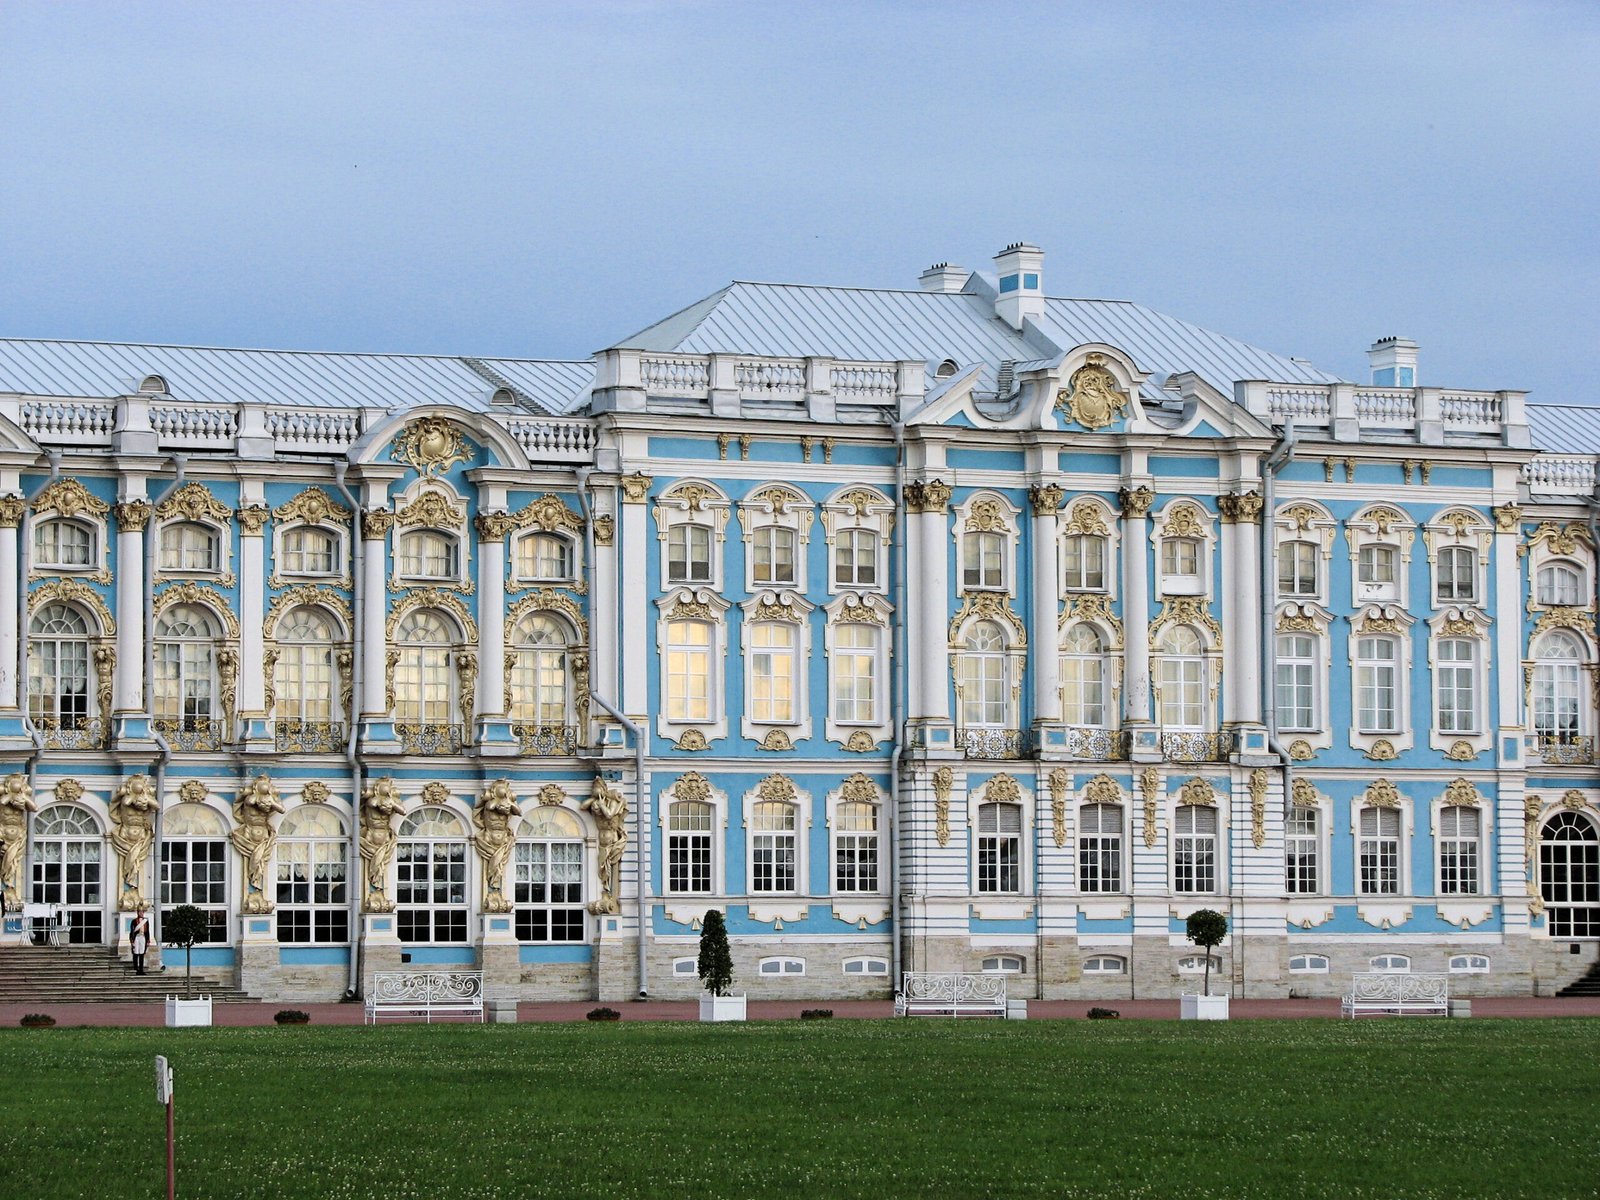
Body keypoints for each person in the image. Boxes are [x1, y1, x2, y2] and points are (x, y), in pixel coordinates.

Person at [129, 908, 151, 976]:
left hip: (143, 937)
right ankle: (136, 968)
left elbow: (147, 931)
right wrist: (132, 940)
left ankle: (141, 969)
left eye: (142, 912)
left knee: (142, 953)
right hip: (136, 938)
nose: (141, 913)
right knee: (136, 952)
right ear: (137, 913)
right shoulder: (134, 921)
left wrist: (148, 940)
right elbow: (132, 931)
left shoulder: (145, 921)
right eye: (140, 912)